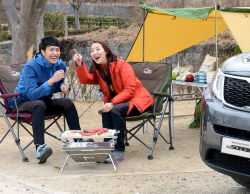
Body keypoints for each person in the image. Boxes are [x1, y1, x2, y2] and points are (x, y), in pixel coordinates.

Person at [73, 40, 154, 163]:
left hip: (139, 102)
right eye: (92, 50)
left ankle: (119, 150)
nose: (94, 52)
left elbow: (130, 89)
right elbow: (85, 79)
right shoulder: (99, 69)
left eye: (98, 49)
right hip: (121, 103)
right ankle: (108, 148)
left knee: (114, 109)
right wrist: (79, 64)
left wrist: (113, 102)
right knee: (106, 110)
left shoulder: (123, 65)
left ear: (106, 51)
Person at [9, 36, 81, 164]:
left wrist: (62, 86)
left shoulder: (61, 65)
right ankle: (40, 149)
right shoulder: (30, 67)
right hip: (21, 103)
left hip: (43, 103)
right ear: (43, 52)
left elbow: (59, 83)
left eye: (57, 50)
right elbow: (31, 95)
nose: (55, 53)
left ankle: (79, 141)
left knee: (67, 102)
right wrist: (52, 80)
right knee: (38, 104)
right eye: (51, 50)